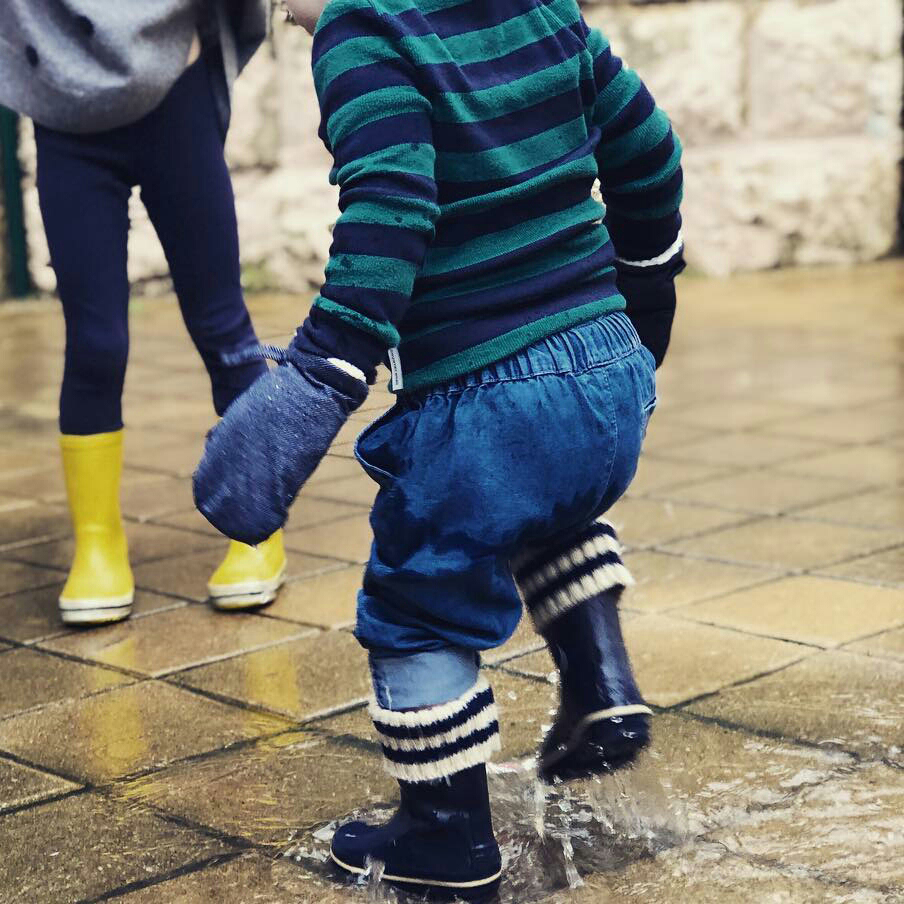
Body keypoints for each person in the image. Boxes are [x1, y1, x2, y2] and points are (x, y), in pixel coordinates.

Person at [195, 0, 684, 896]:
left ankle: (444, 836)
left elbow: (392, 209)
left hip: (483, 400)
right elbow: (651, 151)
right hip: (611, 375)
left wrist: (318, 376)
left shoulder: (365, 29)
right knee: (545, 502)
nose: (284, 14)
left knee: (417, 603)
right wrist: (645, 301)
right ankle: (600, 682)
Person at [0, 1, 287, 625]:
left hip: (177, 89)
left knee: (222, 328)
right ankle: (98, 544)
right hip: (64, 105)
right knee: (95, 342)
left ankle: (257, 527)